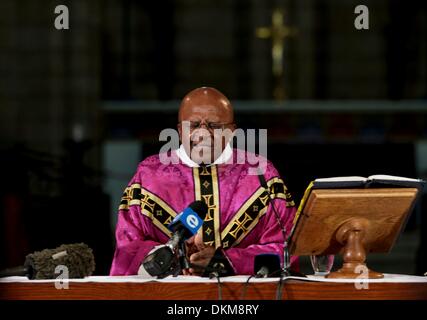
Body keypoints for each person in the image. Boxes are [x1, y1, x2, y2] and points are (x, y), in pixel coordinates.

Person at [110, 87, 298, 276]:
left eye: (213, 126)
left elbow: (286, 248)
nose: (202, 134)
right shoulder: (149, 176)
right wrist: (170, 255)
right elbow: (127, 248)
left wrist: (225, 260)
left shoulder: (261, 175)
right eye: (193, 125)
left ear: (232, 131)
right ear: (179, 130)